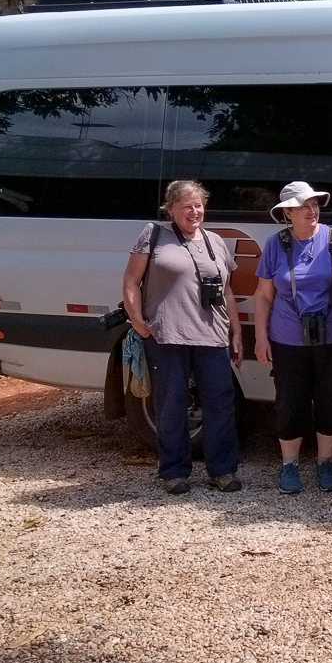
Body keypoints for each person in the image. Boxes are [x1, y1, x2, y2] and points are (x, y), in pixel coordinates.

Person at [121, 179, 243, 495]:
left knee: (220, 405)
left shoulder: (216, 241)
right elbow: (131, 281)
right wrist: (137, 320)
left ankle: (223, 471)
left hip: (213, 337)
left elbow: (227, 289)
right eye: (186, 205)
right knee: (171, 404)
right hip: (167, 336)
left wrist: (237, 331)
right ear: (171, 208)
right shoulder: (154, 234)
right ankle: (174, 472)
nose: (194, 211)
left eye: (198, 205)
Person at [253, 181, 332, 495]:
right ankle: (290, 464)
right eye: (303, 205)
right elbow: (263, 295)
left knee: (331, 401)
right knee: (289, 403)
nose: (312, 210)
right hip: (287, 338)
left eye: (315, 204)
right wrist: (260, 337)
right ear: (288, 213)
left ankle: (325, 462)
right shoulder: (275, 244)